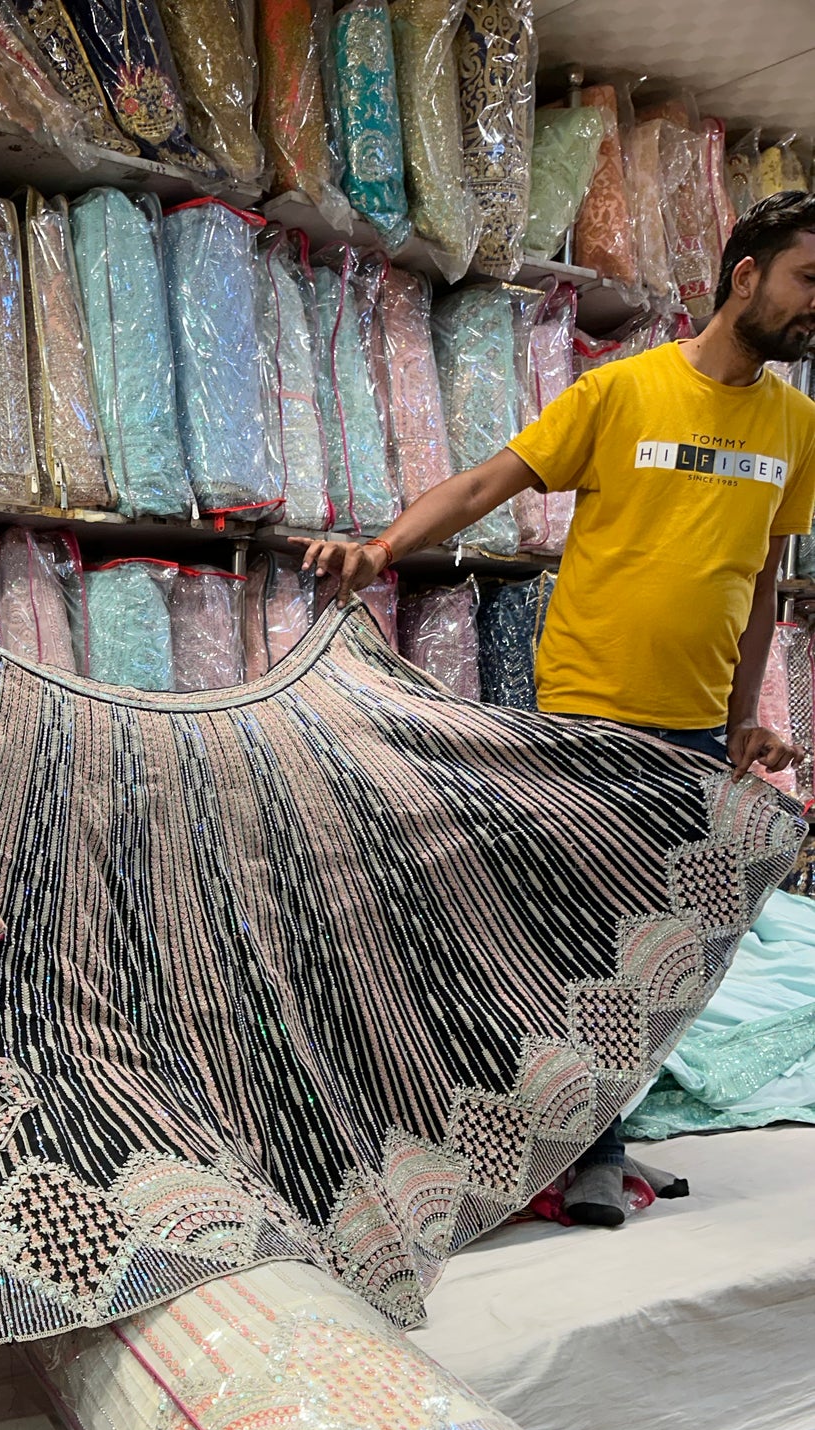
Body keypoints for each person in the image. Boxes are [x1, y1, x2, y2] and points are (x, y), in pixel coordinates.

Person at [293, 192, 815, 1230]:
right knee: (578, 937)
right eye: (810, 282)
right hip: (585, 712)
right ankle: (579, 1153)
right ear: (744, 274)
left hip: (690, 732)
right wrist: (383, 550)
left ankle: (598, 1140)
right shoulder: (621, 393)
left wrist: (741, 711)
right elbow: (492, 477)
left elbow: (759, 578)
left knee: (660, 942)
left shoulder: (795, 425)